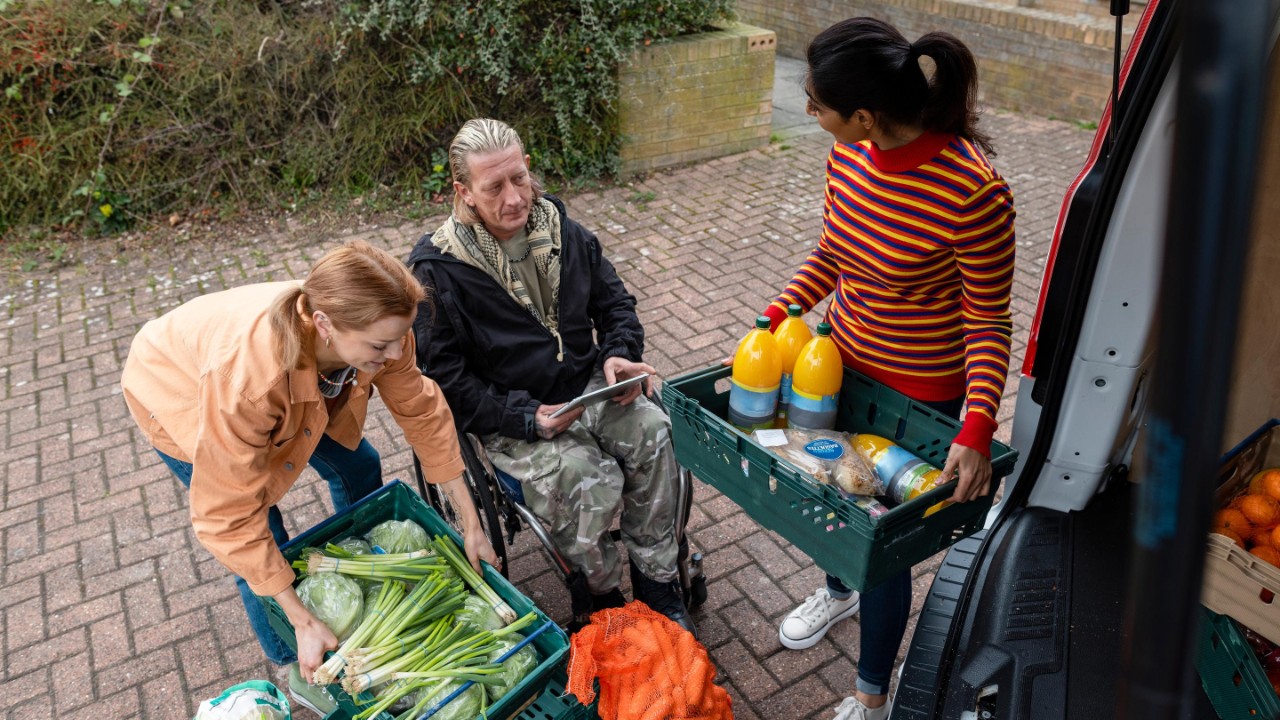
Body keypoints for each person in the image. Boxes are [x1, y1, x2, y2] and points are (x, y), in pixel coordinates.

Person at [759, 18, 1016, 720]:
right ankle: (836, 592)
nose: (809, 113)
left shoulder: (974, 191)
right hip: (837, 367)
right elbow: (834, 252)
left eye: (817, 105)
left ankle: (871, 696)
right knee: (827, 495)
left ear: (866, 116)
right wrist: (782, 309)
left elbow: (988, 321)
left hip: (917, 394)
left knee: (883, 544)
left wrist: (976, 425)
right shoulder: (849, 157)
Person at [120, 240, 498, 713]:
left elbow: (422, 413)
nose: (396, 351)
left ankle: (364, 564)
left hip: (289, 376)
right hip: (174, 385)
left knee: (359, 464)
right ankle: (293, 657)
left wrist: (471, 522)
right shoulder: (250, 385)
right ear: (324, 326)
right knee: (261, 533)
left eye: (401, 338)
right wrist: (300, 618)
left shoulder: (379, 328)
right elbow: (228, 518)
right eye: (381, 346)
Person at [407, 118, 694, 635]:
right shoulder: (438, 271)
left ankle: (656, 582)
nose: (515, 197)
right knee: (585, 476)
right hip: (511, 413)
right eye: (494, 187)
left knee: (656, 431)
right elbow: (445, 379)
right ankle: (603, 599)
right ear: (464, 192)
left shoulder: (565, 232)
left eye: (519, 178)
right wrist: (523, 417)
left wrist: (620, 355)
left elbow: (617, 307)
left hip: (587, 385)